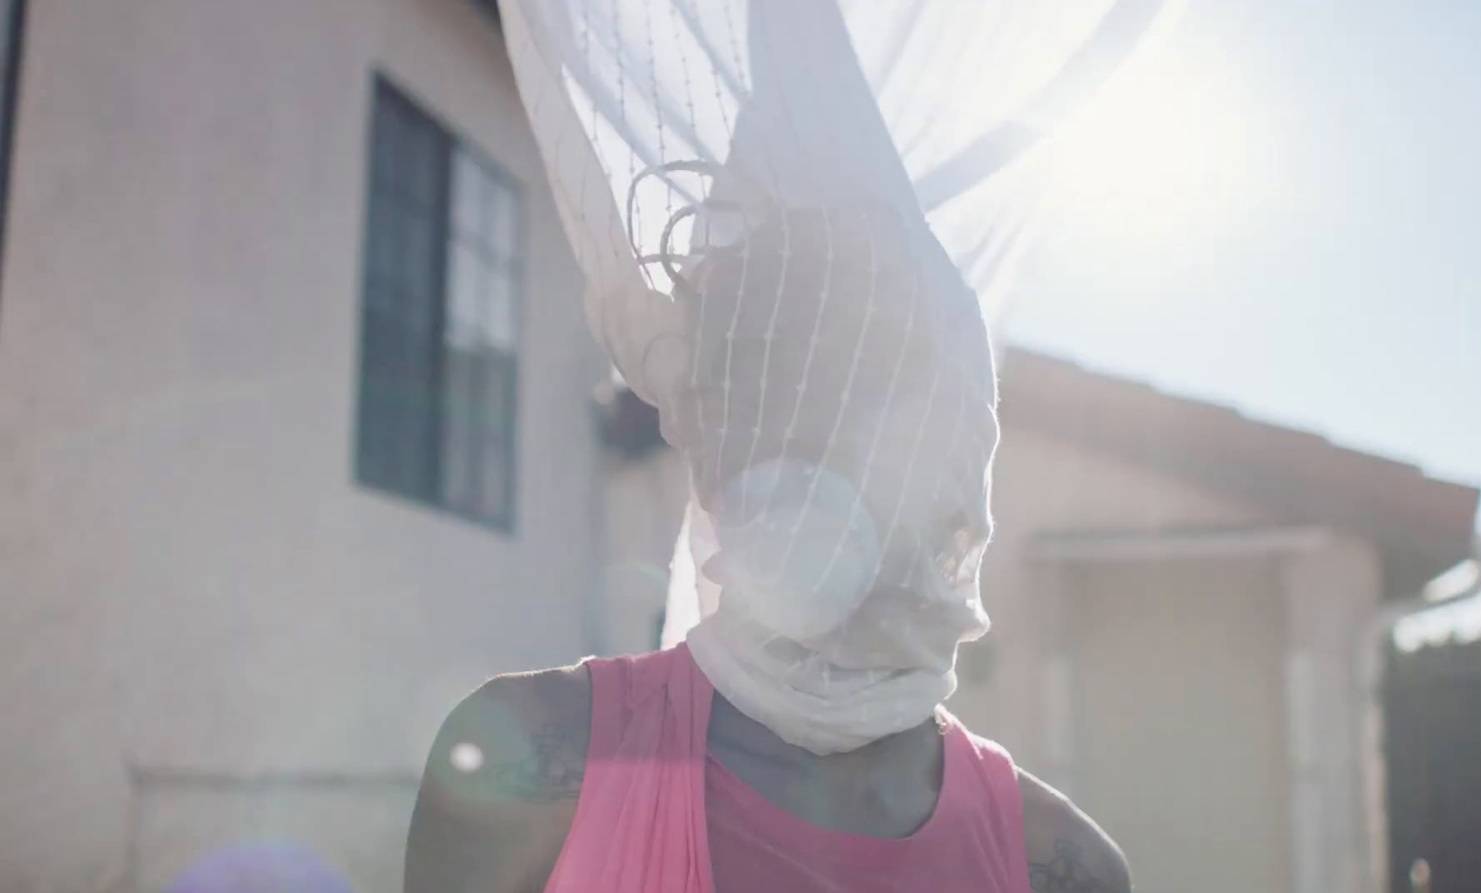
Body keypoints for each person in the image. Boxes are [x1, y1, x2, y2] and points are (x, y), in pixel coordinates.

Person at [401, 205, 1131, 893]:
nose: (787, 459)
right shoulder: (529, 755)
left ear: (956, 471)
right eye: (751, 405)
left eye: (854, 400)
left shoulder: (1059, 867)